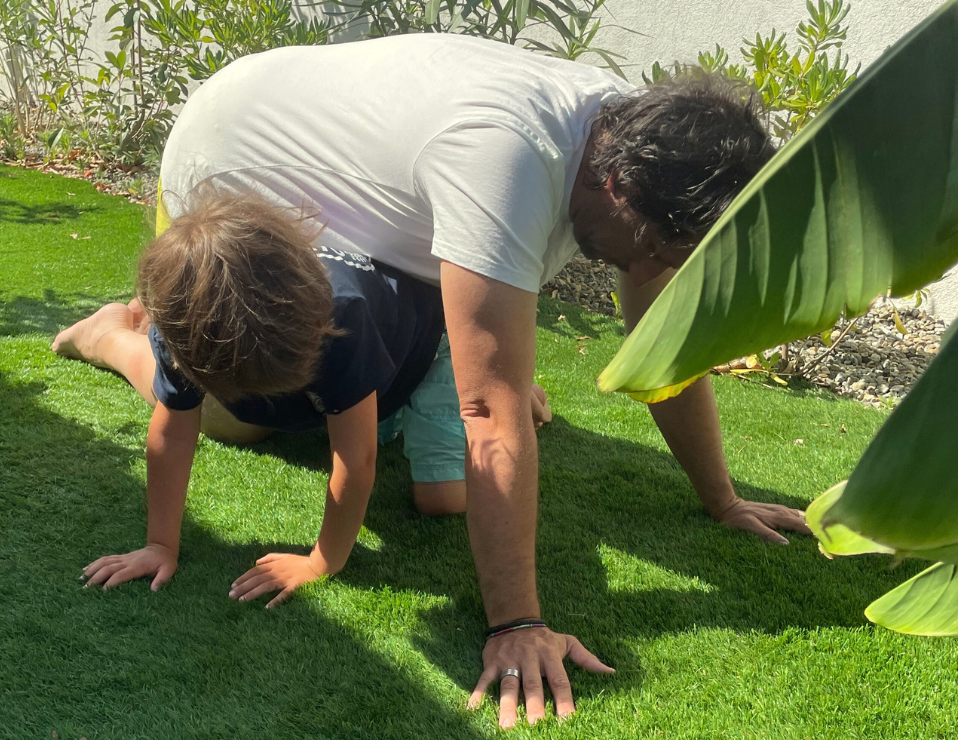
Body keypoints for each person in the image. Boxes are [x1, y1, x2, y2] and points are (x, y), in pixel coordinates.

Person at [145, 33, 812, 728]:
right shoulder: (507, 160)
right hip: (231, 154)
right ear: (615, 185)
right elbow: (487, 410)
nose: (646, 276)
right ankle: (131, 335)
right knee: (248, 407)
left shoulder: (635, 152)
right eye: (650, 252)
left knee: (401, 349)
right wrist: (515, 625)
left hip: (343, 157)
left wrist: (723, 499)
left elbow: (660, 349)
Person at [53, 189, 551, 603]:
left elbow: (356, 460)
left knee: (442, 498)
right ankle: (108, 334)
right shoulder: (185, 332)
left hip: (426, 349)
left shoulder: (344, 320)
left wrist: (321, 559)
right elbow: (171, 436)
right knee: (244, 425)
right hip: (341, 370)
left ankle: (499, 381)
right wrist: (160, 544)